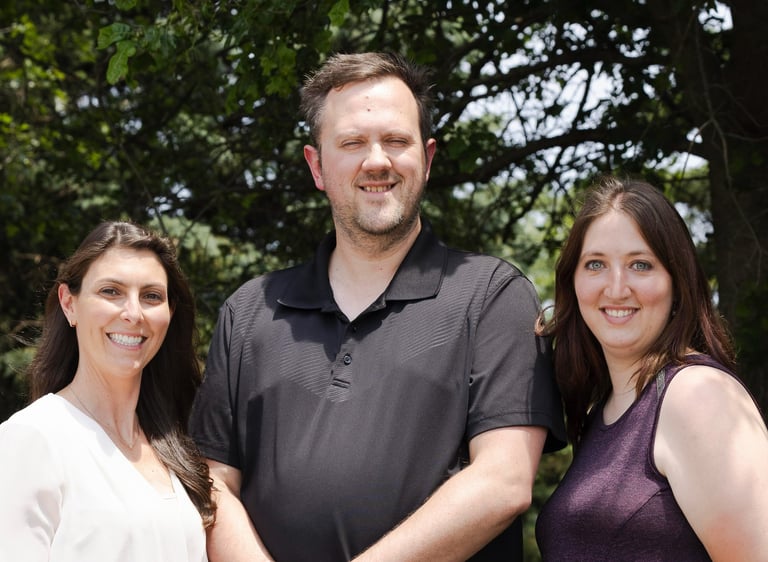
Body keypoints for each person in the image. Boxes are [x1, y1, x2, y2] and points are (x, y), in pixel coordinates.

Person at [188, 51, 566, 562]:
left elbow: (503, 482)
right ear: (317, 165)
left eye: (396, 141)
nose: (377, 161)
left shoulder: (492, 296)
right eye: (352, 143)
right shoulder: (249, 310)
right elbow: (212, 484)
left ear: (427, 159)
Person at [535, 176, 768, 560]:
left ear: (678, 283)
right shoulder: (603, 413)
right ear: (573, 281)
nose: (616, 288)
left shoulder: (697, 394)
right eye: (595, 264)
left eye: (640, 265)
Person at [0, 221, 215, 561]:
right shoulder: (31, 439)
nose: (134, 313)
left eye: (151, 296)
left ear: (169, 313)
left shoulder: (178, 446)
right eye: (110, 291)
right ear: (69, 304)